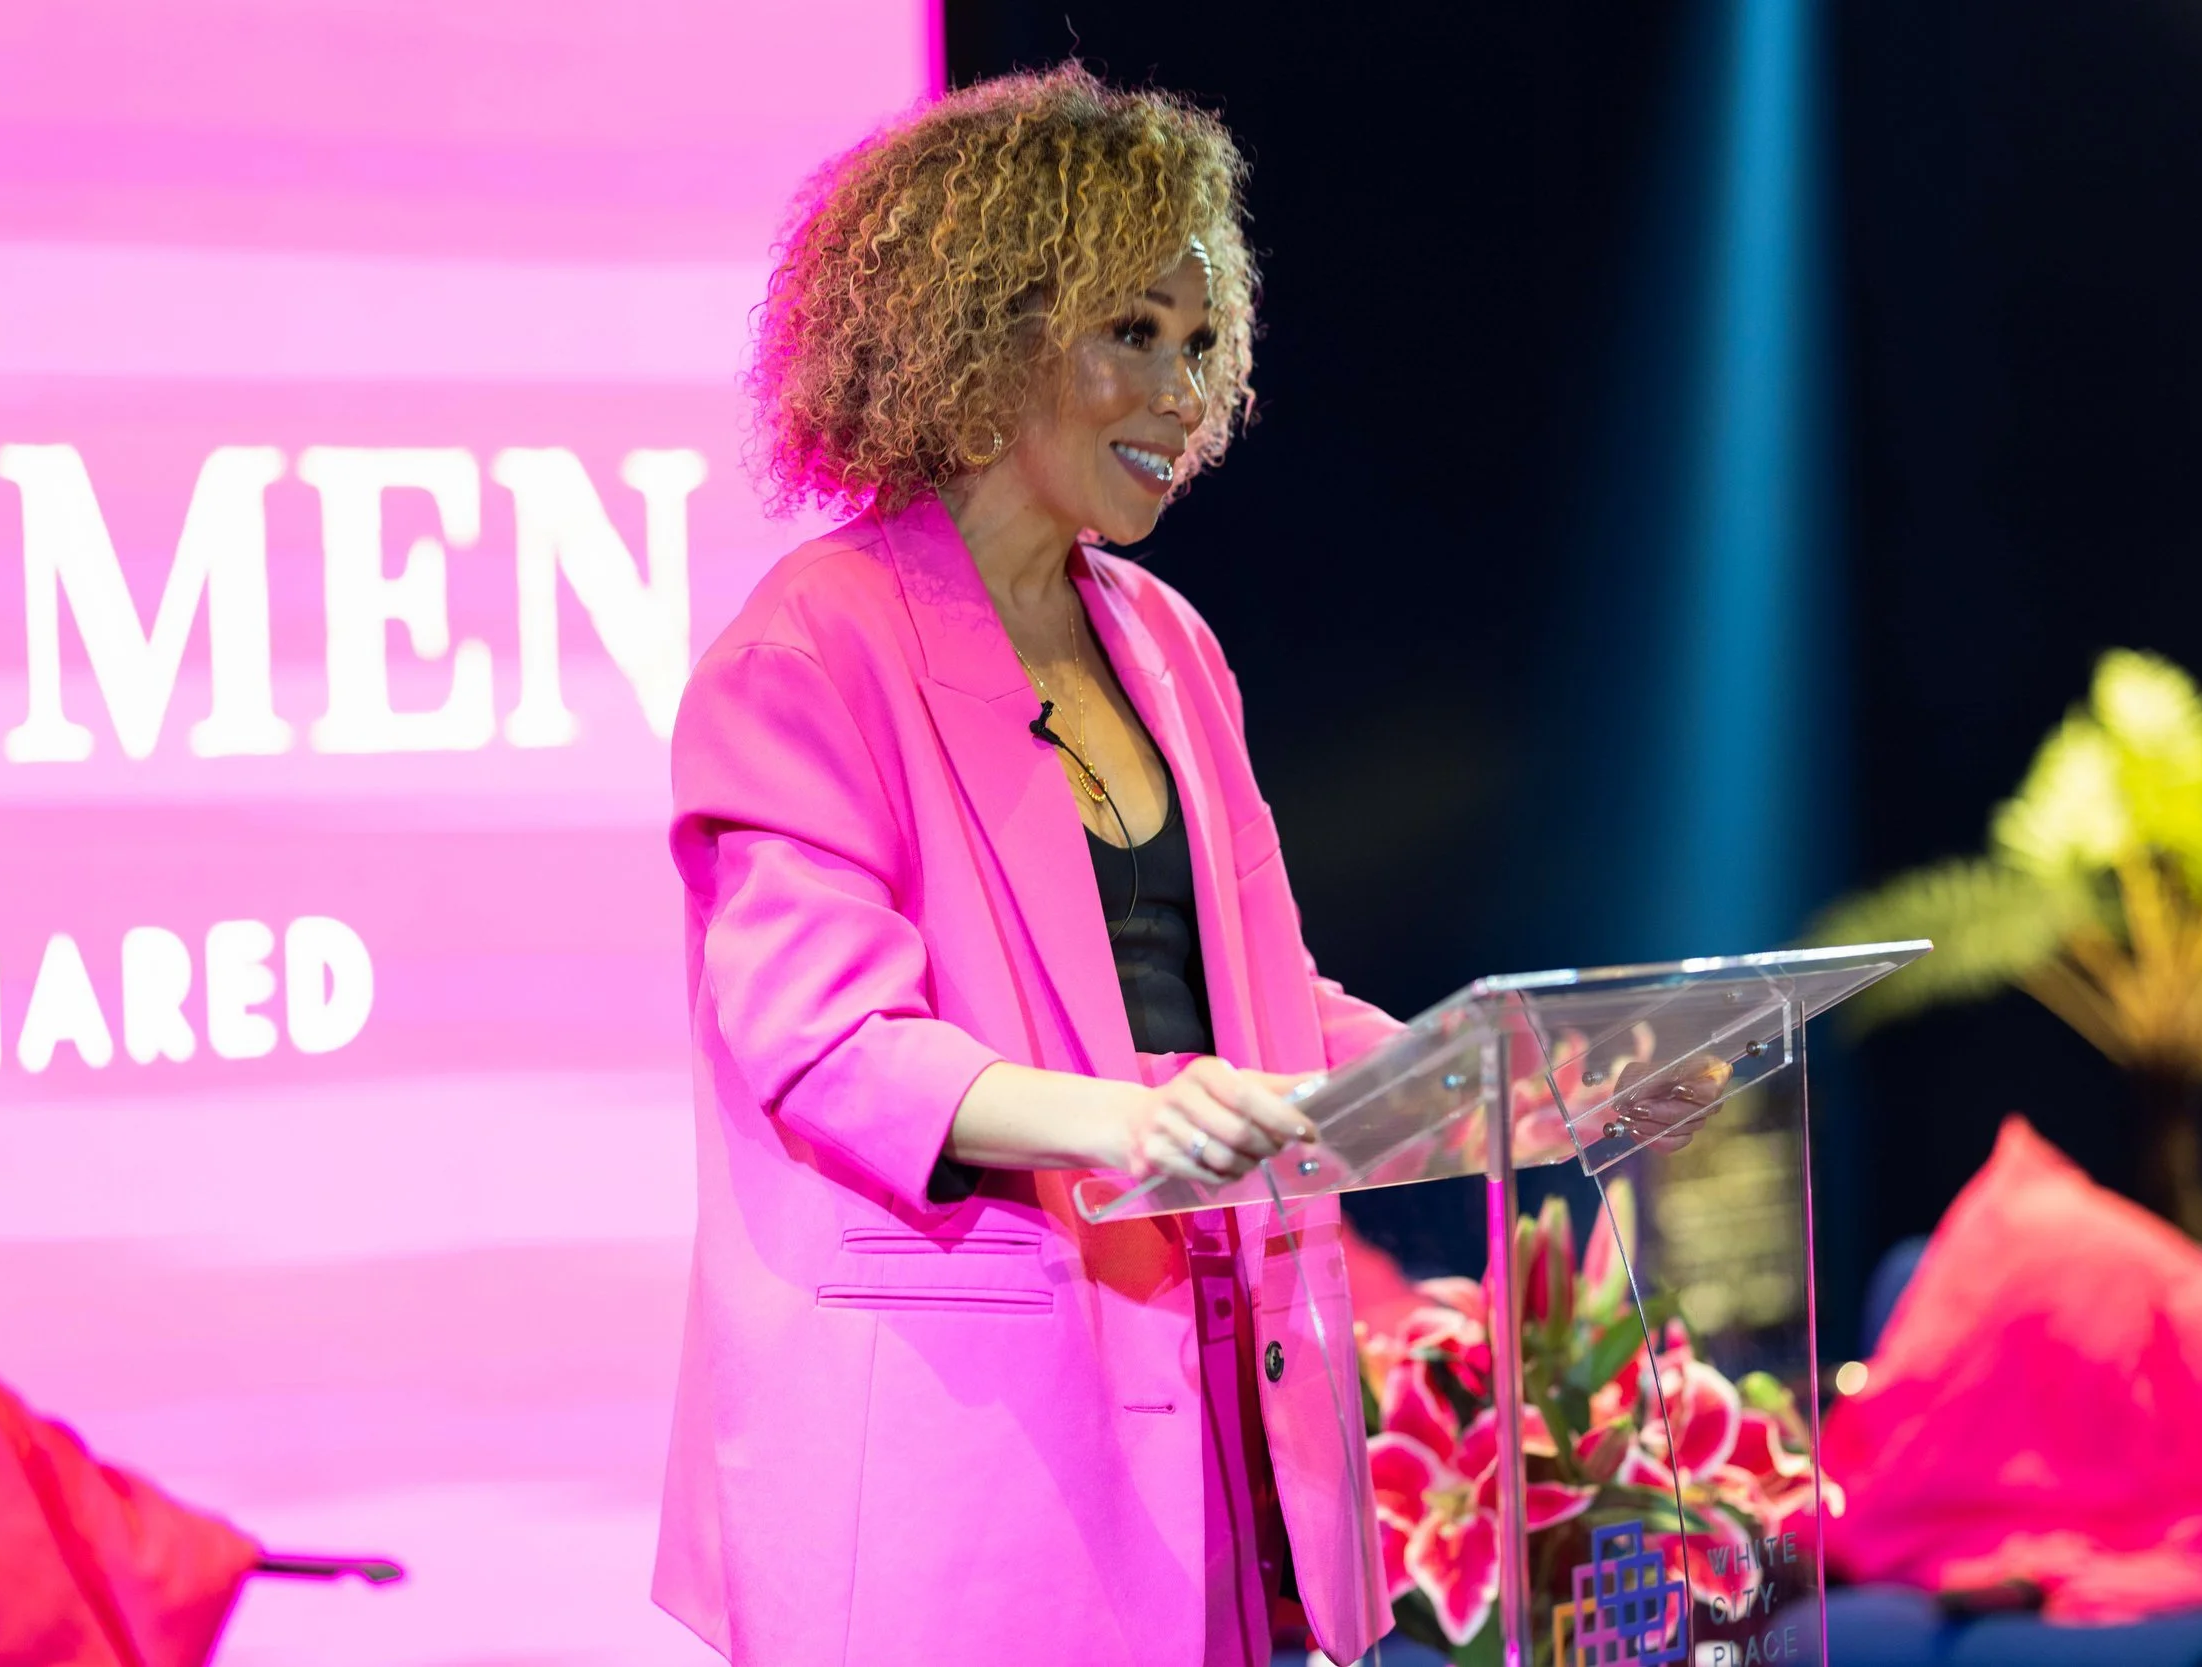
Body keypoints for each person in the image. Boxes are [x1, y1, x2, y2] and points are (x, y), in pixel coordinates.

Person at [649, 64, 1712, 1667]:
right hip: (962, 1455)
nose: (1181, 394)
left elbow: (1268, 1011)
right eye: (1132, 333)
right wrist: (1131, 1119)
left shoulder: (1168, 644)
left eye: (1202, 344)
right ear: (984, 329)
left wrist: (1505, 1085)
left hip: (1214, 1416)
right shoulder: (809, 648)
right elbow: (828, 1043)